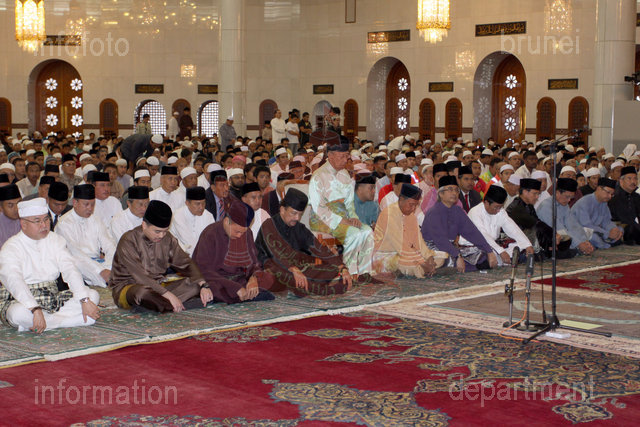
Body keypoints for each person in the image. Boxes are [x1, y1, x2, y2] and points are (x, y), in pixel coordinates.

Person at [0, 198, 100, 333]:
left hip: (52, 297)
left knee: (92, 295)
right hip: (21, 299)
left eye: (46, 219)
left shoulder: (55, 240)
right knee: (17, 314)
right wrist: (34, 308)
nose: (44, 225)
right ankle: (69, 321)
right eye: (37, 221)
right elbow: (14, 281)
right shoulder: (11, 247)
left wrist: (84, 299)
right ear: (23, 224)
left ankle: (45, 323)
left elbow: (70, 269)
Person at [109, 200, 212, 313]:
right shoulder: (128, 240)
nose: (162, 235)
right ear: (144, 225)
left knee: (195, 285)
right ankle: (172, 304)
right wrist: (168, 295)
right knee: (142, 293)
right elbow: (140, 277)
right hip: (129, 287)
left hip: (158, 286)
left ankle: (158, 306)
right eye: (157, 231)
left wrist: (203, 285)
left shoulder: (168, 238)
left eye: (165, 231)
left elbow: (185, 263)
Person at [255, 188, 352, 296]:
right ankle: (326, 290)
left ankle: (303, 287)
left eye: (300, 214)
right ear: (282, 210)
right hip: (272, 270)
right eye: (294, 213)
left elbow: (318, 248)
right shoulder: (269, 225)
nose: (297, 218)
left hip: (298, 270)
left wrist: (342, 267)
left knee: (332, 269)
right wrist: (293, 269)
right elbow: (276, 256)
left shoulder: (299, 228)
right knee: (283, 275)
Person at [309, 136, 375, 279]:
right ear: (330, 155)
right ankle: (348, 274)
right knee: (354, 233)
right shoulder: (318, 176)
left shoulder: (344, 174)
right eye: (342, 156)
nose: (346, 160)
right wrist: (342, 221)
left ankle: (364, 273)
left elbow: (349, 203)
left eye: (347, 156)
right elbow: (318, 208)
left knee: (368, 232)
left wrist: (354, 217)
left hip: (344, 217)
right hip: (322, 219)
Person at [192, 198, 274, 304]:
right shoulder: (210, 234)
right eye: (237, 231)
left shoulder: (247, 233)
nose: (240, 235)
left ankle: (244, 295)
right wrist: (235, 287)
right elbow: (203, 269)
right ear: (227, 221)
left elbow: (254, 263)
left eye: (242, 232)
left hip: (241, 279)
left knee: (268, 277)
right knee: (213, 288)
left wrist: (253, 278)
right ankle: (244, 296)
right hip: (219, 280)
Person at [421, 176, 497, 272]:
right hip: (433, 249)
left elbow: (472, 232)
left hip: (451, 248)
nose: (454, 193)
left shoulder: (457, 210)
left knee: (481, 253)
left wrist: (489, 250)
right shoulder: (433, 212)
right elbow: (440, 240)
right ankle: (464, 266)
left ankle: (464, 266)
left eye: (456, 190)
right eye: (450, 189)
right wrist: (457, 255)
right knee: (445, 259)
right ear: (440, 194)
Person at [373, 184, 447, 278]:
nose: (413, 209)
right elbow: (399, 246)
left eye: (415, 205)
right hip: (387, 253)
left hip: (408, 252)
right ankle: (421, 268)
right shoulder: (389, 214)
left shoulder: (411, 216)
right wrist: (422, 262)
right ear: (401, 199)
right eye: (411, 205)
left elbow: (418, 241)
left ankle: (421, 268)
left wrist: (429, 257)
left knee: (441, 256)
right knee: (404, 262)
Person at [55, 184, 116, 288]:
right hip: (78, 264)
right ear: (75, 203)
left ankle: (107, 278)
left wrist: (111, 264)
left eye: (93, 204)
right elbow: (75, 253)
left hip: (98, 262)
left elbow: (109, 244)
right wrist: (100, 270)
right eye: (86, 204)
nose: (90, 208)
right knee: (77, 264)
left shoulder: (95, 220)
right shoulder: (64, 224)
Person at [466, 185, 533, 266]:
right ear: (486, 203)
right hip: (475, 247)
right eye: (496, 207)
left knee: (520, 246)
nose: (498, 210)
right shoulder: (475, 212)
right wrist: (500, 251)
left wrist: (527, 244)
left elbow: (512, 228)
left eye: (500, 207)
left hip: (494, 246)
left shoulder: (501, 211)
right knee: (487, 255)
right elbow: (482, 235)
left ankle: (503, 260)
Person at [536, 178, 594, 255]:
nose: (569, 200)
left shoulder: (564, 204)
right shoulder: (546, 207)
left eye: (571, 198)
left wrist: (584, 241)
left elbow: (574, 226)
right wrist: (579, 244)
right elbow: (560, 231)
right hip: (551, 244)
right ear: (557, 192)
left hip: (568, 240)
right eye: (567, 197)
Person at [571, 177, 623, 249]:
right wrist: (607, 233)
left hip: (598, 231)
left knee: (620, 229)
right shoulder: (584, 202)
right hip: (581, 232)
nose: (610, 197)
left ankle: (606, 242)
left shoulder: (604, 203)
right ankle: (605, 244)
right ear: (599, 188)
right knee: (594, 237)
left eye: (612, 194)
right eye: (608, 192)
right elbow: (587, 225)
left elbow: (607, 221)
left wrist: (614, 229)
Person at [170, 187, 215, 256]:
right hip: (182, 256)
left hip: (204, 254)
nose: (201, 207)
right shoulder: (178, 216)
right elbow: (188, 242)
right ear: (187, 203)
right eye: (197, 204)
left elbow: (212, 239)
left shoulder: (208, 216)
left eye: (203, 203)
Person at [608, 166, 640, 244]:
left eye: (635, 178)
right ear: (621, 181)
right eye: (629, 178)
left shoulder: (637, 197)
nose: (633, 181)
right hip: (624, 231)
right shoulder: (614, 199)